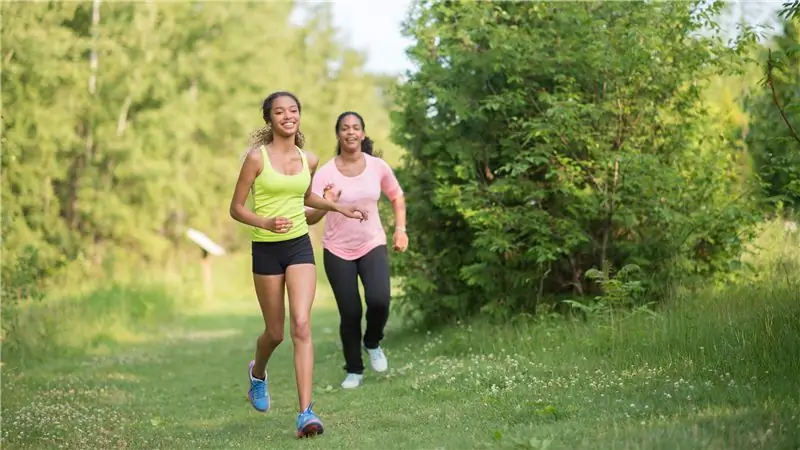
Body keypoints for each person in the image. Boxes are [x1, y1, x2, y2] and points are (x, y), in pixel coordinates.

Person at [229, 92, 367, 438]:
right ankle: (257, 373)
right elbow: (237, 208)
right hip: (266, 250)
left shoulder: (310, 159)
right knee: (275, 332)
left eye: (293, 110)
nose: (288, 116)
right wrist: (264, 223)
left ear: (299, 116)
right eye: (280, 112)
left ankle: (306, 413)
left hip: (299, 248)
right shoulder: (255, 159)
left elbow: (305, 198)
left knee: (301, 325)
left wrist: (338, 207)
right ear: (270, 119)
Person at [305, 111, 408, 389]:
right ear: (338, 134)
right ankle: (354, 370)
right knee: (350, 312)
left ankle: (372, 342)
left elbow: (397, 196)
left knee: (379, 301)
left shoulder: (378, 167)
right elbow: (308, 217)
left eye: (356, 128)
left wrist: (401, 230)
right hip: (337, 249)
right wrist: (326, 202)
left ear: (362, 134)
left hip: (372, 242)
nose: (351, 132)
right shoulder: (326, 172)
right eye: (345, 128)